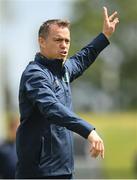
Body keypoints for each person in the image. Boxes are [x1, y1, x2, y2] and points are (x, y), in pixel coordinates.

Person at [16, 7, 119, 179]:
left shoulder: (62, 71)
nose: (64, 45)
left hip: (64, 170)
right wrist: (89, 131)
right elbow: (52, 108)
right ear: (41, 41)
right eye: (58, 40)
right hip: (38, 173)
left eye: (67, 41)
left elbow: (83, 58)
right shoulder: (34, 75)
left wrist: (104, 36)